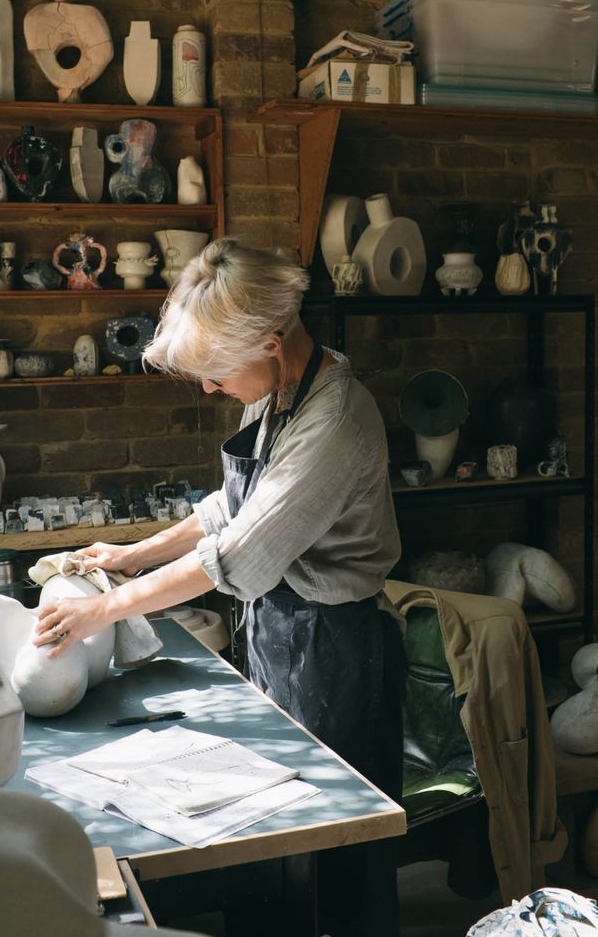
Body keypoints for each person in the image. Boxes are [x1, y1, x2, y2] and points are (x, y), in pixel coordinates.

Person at [34, 238, 406, 937]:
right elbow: (230, 506)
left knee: (334, 853)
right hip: (283, 634)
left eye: (214, 371)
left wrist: (103, 610)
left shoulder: (334, 420)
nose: (207, 388)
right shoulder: (280, 393)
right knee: (274, 837)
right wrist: (128, 556)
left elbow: (237, 554)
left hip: (337, 650)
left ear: (268, 341)